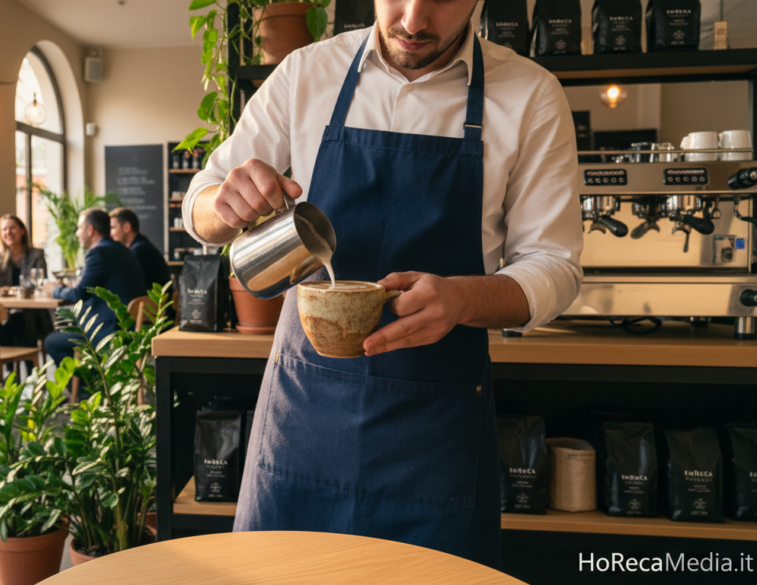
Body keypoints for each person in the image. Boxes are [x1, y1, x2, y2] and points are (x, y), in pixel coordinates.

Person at [182, 0, 583, 569]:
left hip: (434, 435)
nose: (414, 20)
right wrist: (223, 206)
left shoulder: (530, 94)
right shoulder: (306, 74)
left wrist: (464, 298)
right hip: (304, 420)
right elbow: (199, 206)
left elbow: (555, 266)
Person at [44, 208, 146, 373]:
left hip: (112, 330)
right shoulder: (120, 249)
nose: (77, 233)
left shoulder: (98, 253)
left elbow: (78, 294)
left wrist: (55, 290)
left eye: (79, 228)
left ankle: (87, 391)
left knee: (51, 342)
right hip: (130, 326)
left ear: (90, 230)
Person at [0, 214, 51, 362]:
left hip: (33, 312)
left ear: (22, 231)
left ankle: (29, 370)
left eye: (12, 228)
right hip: (6, 312)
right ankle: (11, 370)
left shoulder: (36, 254)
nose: (8, 232)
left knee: (22, 319)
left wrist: (10, 290)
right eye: (4, 229)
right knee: (4, 323)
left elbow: (38, 282)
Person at [109, 207, 172, 289]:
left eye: (113, 228)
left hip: (155, 301)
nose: (110, 234)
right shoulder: (140, 245)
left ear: (126, 227)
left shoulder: (139, 251)